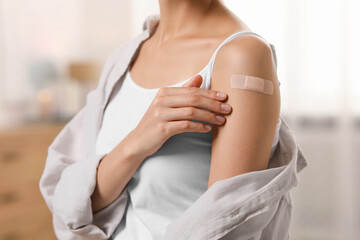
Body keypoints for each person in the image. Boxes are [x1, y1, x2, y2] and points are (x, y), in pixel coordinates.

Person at [40, 1, 308, 239]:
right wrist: (138, 141)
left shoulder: (243, 56)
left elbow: (224, 229)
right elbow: (77, 204)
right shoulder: (124, 58)